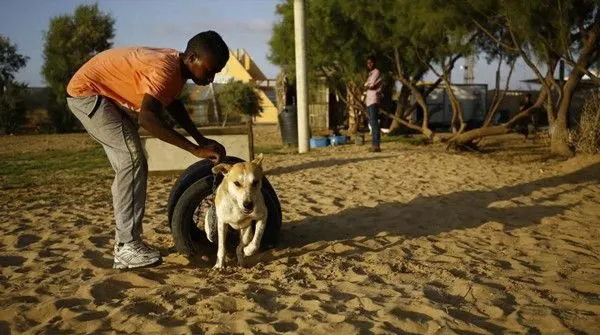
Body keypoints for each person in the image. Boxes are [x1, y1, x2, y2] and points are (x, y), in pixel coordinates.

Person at [66, 31, 229, 269]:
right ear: (192, 57)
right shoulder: (164, 68)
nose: (212, 78)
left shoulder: (175, 69)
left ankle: (126, 242)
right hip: (88, 95)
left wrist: (200, 138)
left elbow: (173, 105)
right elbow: (148, 118)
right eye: (210, 70)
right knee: (132, 160)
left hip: (102, 95)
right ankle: (126, 246)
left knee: (129, 164)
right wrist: (194, 149)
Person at [364, 55, 382, 152]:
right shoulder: (370, 74)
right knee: (371, 122)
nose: (369, 64)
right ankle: (374, 144)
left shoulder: (376, 72)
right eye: (368, 63)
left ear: (374, 62)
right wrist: (367, 86)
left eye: (371, 62)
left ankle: (376, 145)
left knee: (374, 122)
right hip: (369, 100)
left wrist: (368, 86)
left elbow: (371, 85)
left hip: (374, 99)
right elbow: (366, 85)